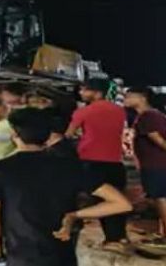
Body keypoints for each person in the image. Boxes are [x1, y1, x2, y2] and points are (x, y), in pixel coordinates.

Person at [0, 107, 133, 266]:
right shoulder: (71, 167)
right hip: (62, 258)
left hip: (22, 258)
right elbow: (122, 204)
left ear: (15, 136)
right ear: (48, 136)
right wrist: (75, 215)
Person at [64, 78, 128, 247]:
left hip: (91, 161)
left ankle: (106, 238)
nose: (81, 93)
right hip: (115, 161)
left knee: (95, 201)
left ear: (97, 92)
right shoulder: (119, 111)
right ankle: (117, 237)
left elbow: (68, 135)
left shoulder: (83, 112)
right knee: (116, 200)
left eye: (85, 90)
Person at [124, 86, 166, 246]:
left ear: (142, 98)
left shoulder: (147, 116)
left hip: (155, 163)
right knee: (161, 198)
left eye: (129, 96)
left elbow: (157, 138)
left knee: (160, 198)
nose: (125, 99)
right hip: (161, 163)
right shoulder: (158, 115)